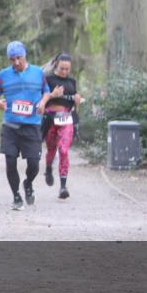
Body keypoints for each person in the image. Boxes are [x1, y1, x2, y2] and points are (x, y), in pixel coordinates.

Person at [0, 41, 52, 210]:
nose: (16, 62)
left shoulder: (38, 73)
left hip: (32, 126)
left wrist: (43, 102)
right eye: (12, 59)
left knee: (34, 165)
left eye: (19, 58)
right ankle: (16, 196)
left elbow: (47, 91)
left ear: (25, 56)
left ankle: (28, 183)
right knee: (10, 162)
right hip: (10, 127)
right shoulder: (3, 75)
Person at [41, 53, 84, 200]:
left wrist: (77, 100)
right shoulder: (48, 79)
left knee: (64, 150)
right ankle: (48, 168)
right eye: (62, 68)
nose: (65, 72)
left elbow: (74, 100)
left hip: (66, 119)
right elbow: (42, 98)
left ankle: (63, 186)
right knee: (51, 150)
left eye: (67, 69)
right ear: (56, 65)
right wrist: (53, 95)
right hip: (50, 118)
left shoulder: (72, 81)